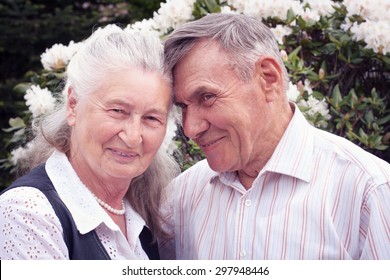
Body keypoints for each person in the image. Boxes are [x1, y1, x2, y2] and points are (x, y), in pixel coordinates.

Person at [159, 13, 390, 260]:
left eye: (207, 97)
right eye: (183, 107)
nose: (191, 128)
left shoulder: (367, 190)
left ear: (268, 78)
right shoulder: (182, 196)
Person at [0, 25, 180, 260]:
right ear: (73, 105)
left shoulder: (145, 216)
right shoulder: (28, 212)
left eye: (151, 118)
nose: (133, 136)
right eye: (117, 111)